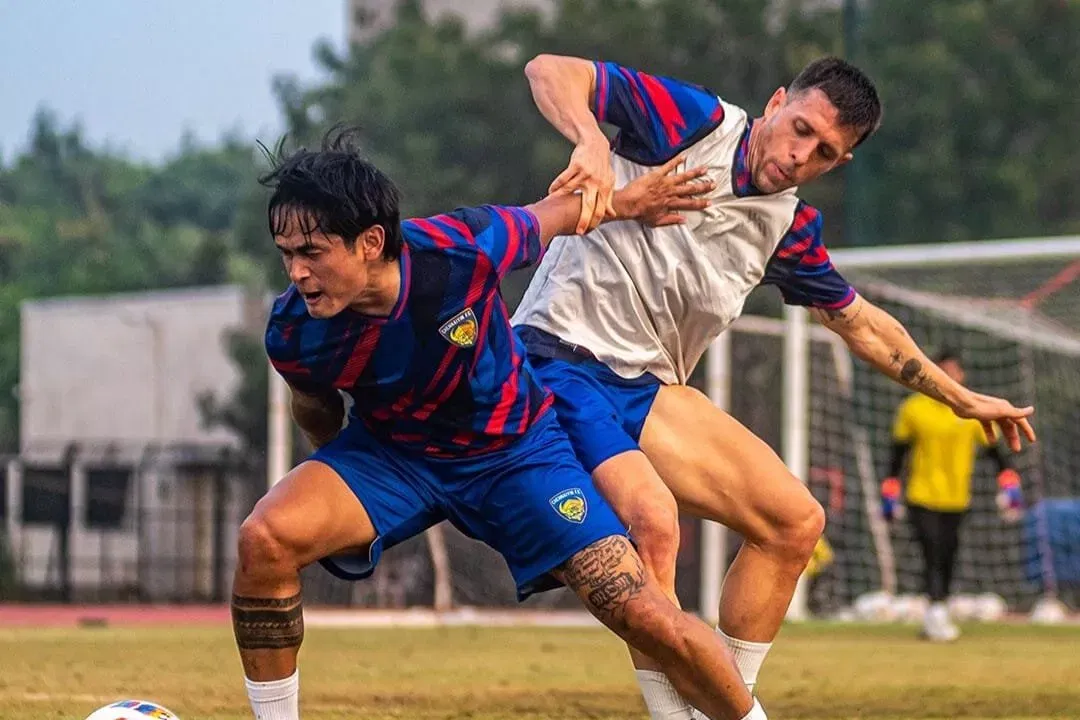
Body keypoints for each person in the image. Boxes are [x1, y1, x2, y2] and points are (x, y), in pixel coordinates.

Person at [510, 53, 1037, 718]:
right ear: (778, 100)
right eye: (800, 127)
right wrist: (589, 140)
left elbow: (861, 324)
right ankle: (703, 715)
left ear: (839, 164)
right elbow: (550, 69)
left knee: (795, 523)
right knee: (654, 524)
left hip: (643, 387)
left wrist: (959, 397)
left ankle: (720, 701)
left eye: (824, 151)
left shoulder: (787, 228)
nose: (799, 154)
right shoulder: (691, 123)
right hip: (554, 353)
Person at [231, 128, 771, 720]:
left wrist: (628, 201)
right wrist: (339, 478)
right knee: (265, 539)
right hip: (395, 455)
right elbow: (316, 411)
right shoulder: (294, 329)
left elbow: (558, 213)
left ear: (371, 242)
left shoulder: (461, 247)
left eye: (312, 253)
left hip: (516, 454)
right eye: (286, 254)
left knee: (640, 611)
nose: (297, 274)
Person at [880, 349, 1023, 642]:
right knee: (931, 552)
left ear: (961, 375)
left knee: (948, 554)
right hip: (921, 495)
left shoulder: (969, 411)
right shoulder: (914, 408)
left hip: (957, 498)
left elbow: (996, 455)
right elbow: (897, 455)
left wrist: (1009, 487)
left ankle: (938, 609)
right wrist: (889, 494)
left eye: (953, 371)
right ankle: (935, 613)